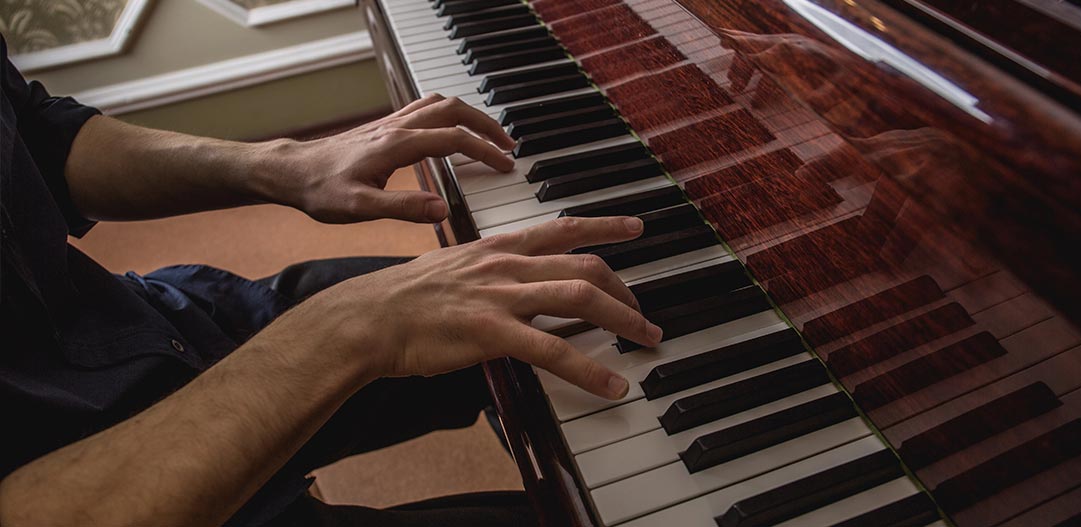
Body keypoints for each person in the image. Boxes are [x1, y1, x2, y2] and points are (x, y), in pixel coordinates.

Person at [0, 37, 662, 527]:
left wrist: (287, 163)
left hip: (139, 325)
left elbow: (34, 135)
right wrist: (343, 328)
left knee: (563, 297)